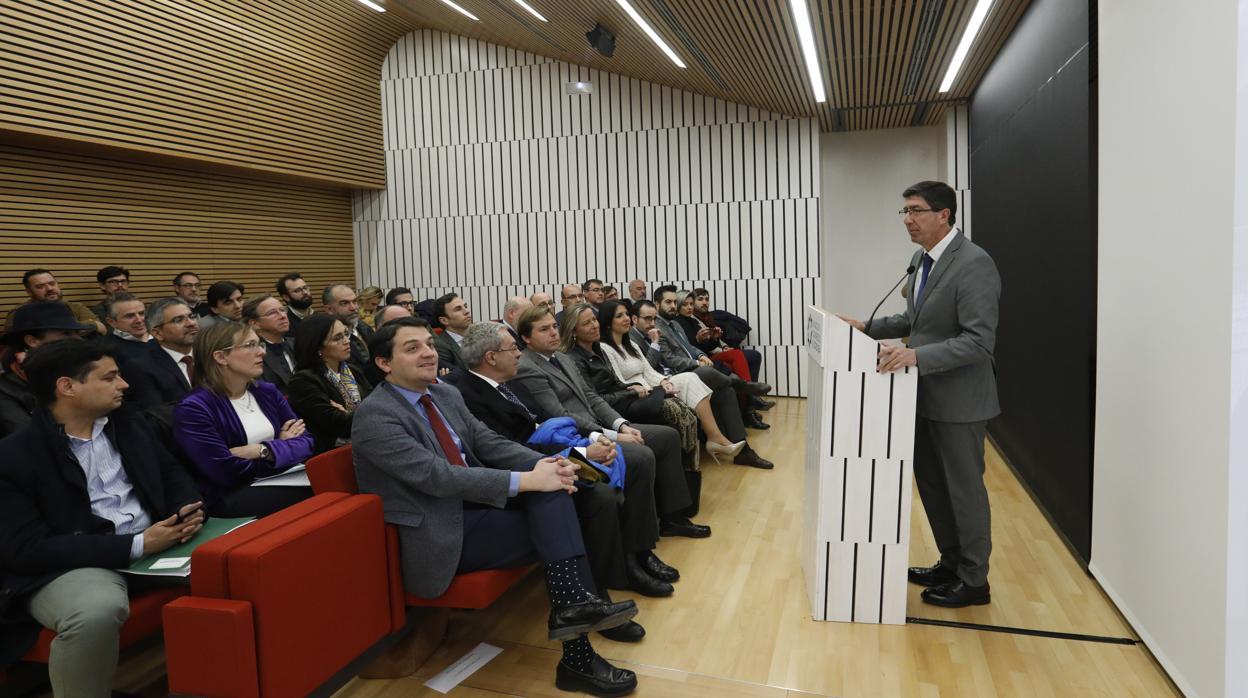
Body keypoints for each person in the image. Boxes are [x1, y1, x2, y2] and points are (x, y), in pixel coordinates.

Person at [352, 317, 639, 695]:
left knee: (558, 491)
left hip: (478, 508)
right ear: (384, 363)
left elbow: (489, 444)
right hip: (440, 532)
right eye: (412, 348)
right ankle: (580, 629)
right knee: (555, 508)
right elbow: (439, 478)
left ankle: (578, 630)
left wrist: (548, 465)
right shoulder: (374, 416)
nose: (427, 353)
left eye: (428, 344)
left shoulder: (444, 394)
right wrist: (527, 480)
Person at [0, 340, 205, 696]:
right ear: (67, 387)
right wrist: (138, 544)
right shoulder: (14, 456)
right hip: (77, 563)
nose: (124, 384)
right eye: (110, 377)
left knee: (248, 552)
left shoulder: (127, 423)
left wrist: (187, 507)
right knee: (94, 611)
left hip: (157, 539)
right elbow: (27, 550)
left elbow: (172, 472)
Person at [836, 180, 1002, 609]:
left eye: (915, 210)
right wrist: (866, 327)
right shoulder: (921, 259)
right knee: (932, 485)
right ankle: (950, 563)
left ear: (944, 214)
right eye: (904, 212)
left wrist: (913, 356)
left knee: (964, 491)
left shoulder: (974, 264)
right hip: (922, 397)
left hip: (961, 402)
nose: (907, 220)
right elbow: (917, 320)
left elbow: (979, 342)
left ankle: (974, 581)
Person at [456, 322, 675, 610]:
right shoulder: (467, 394)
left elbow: (549, 421)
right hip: (530, 466)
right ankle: (602, 586)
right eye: (513, 348)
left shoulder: (512, 382)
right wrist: (582, 453)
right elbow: (507, 448)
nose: (519, 354)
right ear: (491, 357)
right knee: (600, 495)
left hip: (553, 450)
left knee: (633, 463)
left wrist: (593, 442)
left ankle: (637, 553)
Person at [514, 306, 710, 539]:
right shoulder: (528, 366)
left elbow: (592, 398)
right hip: (577, 436)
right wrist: (611, 435)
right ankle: (640, 542)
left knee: (667, 436)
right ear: (526, 337)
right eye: (544, 329)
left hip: (600, 424)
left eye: (554, 327)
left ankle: (673, 517)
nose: (553, 333)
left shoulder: (562, 358)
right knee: (642, 455)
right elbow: (559, 413)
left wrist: (622, 425)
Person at [172, 322, 314, 518]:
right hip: (229, 496)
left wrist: (262, 450)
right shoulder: (194, 408)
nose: (261, 352)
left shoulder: (267, 392)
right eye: (250, 345)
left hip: (281, 479)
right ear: (221, 357)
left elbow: (306, 442)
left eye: (260, 344)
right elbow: (224, 471)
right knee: (320, 490)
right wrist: (280, 449)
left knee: (328, 480)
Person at [629, 301, 774, 469]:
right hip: (665, 381)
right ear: (634, 319)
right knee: (706, 373)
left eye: (654, 318)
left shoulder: (667, 327)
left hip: (677, 374)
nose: (652, 323)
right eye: (647, 319)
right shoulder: (634, 338)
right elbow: (649, 367)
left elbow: (687, 347)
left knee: (725, 391)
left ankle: (744, 451)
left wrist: (699, 355)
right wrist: (655, 342)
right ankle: (740, 386)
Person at [593, 301, 744, 459]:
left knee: (691, 378)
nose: (626, 319)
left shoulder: (630, 344)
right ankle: (717, 433)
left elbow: (649, 371)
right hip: (639, 393)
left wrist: (663, 381)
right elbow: (620, 381)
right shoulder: (605, 348)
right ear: (607, 322)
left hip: (653, 384)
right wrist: (658, 387)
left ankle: (714, 437)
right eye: (619, 316)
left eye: (626, 314)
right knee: (706, 376)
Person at [652, 286, 773, 431]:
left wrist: (712, 345)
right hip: (683, 369)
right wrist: (700, 353)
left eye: (674, 302)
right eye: (670, 302)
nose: (675, 306)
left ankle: (742, 428)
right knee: (734, 361)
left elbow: (691, 347)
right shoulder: (665, 325)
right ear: (657, 305)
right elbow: (671, 358)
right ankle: (746, 392)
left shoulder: (679, 323)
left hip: (701, 359)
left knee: (742, 365)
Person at [0, 303, 94, 437]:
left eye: (77, 333)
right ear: (32, 341)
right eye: (66, 334)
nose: (78, 339)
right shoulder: (5, 390)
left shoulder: (85, 371)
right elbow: (30, 440)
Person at [288, 314, 372, 454]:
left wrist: (347, 414)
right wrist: (360, 414)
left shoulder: (353, 370)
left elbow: (377, 406)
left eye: (346, 334)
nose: (346, 341)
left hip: (365, 443)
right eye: (337, 338)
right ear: (318, 347)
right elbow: (339, 425)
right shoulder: (303, 381)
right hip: (331, 454)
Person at [690, 287, 769, 408]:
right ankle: (750, 398)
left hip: (716, 351)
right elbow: (702, 345)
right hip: (707, 356)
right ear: (692, 302)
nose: (705, 302)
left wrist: (725, 346)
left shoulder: (707, 317)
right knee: (738, 355)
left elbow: (716, 338)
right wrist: (719, 347)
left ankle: (753, 395)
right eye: (700, 299)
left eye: (707, 299)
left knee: (754, 355)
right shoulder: (692, 319)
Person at [122, 298, 198, 412]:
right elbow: (157, 417)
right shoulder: (140, 368)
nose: (191, 323)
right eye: (178, 320)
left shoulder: (212, 355)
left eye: (191, 317)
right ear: (157, 333)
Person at [6, 269, 106, 335]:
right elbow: (14, 343)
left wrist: (55, 330)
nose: (49, 288)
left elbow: (102, 328)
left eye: (52, 283)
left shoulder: (75, 307)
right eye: (40, 286)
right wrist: (88, 325)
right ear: (29, 292)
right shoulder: (19, 312)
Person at [242, 295, 296, 395]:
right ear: (254, 323)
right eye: (272, 313)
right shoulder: (251, 354)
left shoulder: (298, 344)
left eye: (282, 310)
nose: (283, 316)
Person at [323, 284, 373, 368]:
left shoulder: (365, 328)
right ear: (329, 309)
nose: (353, 307)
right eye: (344, 303)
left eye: (354, 301)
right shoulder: (326, 337)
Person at [100, 292, 154, 364]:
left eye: (141, 313)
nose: (139, 320)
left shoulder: (163, 336)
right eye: (130, 316)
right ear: (111, 322)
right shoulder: (106, 350)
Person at [433, 292, 472, 374]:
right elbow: (458, 375)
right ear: (444, 320)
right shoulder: (440, 346)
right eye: (458, 309)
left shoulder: (480, 336)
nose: (467, 311)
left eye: (465, 306)